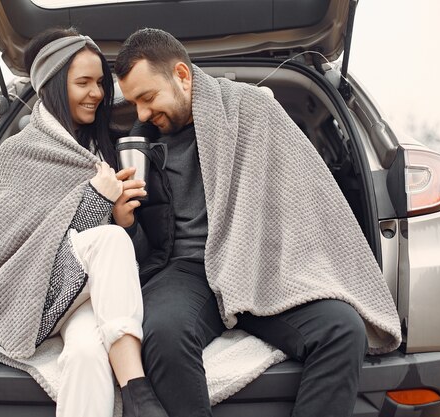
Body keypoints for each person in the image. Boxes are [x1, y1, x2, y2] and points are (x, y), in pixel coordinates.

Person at [112, 28, 402, 417]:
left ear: (182, 75)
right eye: (134, 103)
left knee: (342, 329)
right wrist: (127, 222)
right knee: (162, 334)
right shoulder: (139, 148)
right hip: (186, 271)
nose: (142, 114)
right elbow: (146, 252)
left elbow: (309, 201)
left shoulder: (253, 110)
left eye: (148, 98)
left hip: (258, 263)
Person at [0, 27, 167, 417]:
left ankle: (134, 389)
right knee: (107, 240)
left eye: (100, 83)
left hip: (87, 295)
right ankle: (138, 391)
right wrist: (94, 200)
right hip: (33, 291)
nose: (97, 93)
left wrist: (125, 222)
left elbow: (133, 263)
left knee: (88, 354)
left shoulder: (107, 147)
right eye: (83, 83)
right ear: (54, 85)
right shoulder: (19, 153)